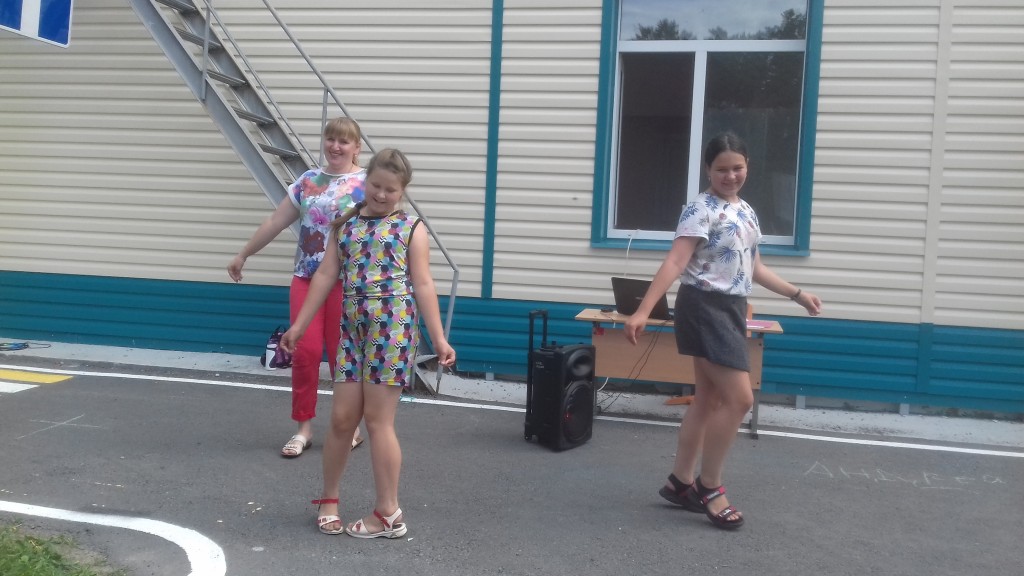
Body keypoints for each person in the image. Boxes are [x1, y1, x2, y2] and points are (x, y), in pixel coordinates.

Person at [624, 132, 822, 530]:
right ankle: (709, 487)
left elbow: (755, 267)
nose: (730, 176)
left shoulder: (745, 211)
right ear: (708, 170)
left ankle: (681, 482)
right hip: (704, 307)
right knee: (740, 399)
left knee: (709, 399)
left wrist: (797, 294)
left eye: (738, 168)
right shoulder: (700, 209)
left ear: (747, 166)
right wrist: (643, 310)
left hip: (730, 308)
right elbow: (676, 261)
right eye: (721, 169)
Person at [280, 148, 456, 538]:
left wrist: (440, 338)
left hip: (391, 331)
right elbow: (325, 275)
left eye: (390, 189)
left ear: (402, 191)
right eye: (375, 185)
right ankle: (328, 500)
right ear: (365, 181)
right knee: (342, 419)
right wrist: (299, 325)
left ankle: (387, 512)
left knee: (377, 422)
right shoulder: (345, 224)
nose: (380, 194)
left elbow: (423, 284)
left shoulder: (411, 228)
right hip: (352, 330)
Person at [228, 117, 367, 458]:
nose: (336, 146)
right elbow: (276, 221)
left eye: (344, 141)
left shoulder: (367, 184)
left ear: (356, 147)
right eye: (331, 139)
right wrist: (244, 253)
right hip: (306, 278)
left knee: (342, 356)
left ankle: (349, 426)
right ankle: (303, 428)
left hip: (347, 284)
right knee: (304, 352)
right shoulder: (308, 181)